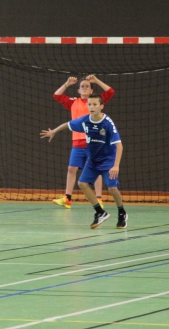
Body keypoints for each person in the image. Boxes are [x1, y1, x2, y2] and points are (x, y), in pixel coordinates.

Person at [41, 94, 127, 229]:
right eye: (89, 104)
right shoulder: (85, 121)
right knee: (82, 183)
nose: (91, 107)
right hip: (93, 160)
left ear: (101, 106)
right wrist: (54, 131)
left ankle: (122, 212)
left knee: (112, 188)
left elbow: (119, 145)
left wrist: (116, 165)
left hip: (108, 160)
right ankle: (100, 212)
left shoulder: (107, 123)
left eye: (94, 104)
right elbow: (68, 125)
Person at [51, 75, 114, 209]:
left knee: (96, 170)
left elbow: (110, 92)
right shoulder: (73, 102)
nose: (84, 88)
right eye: (82, 87)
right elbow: (56, 95)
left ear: (91, 91)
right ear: (78, 90)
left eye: (87, 86)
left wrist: (96, 80)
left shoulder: (95, 103)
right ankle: (67, 198)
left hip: (94, 142)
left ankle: (99, 199)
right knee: (71, 168)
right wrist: (67, 84)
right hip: (77, 142)